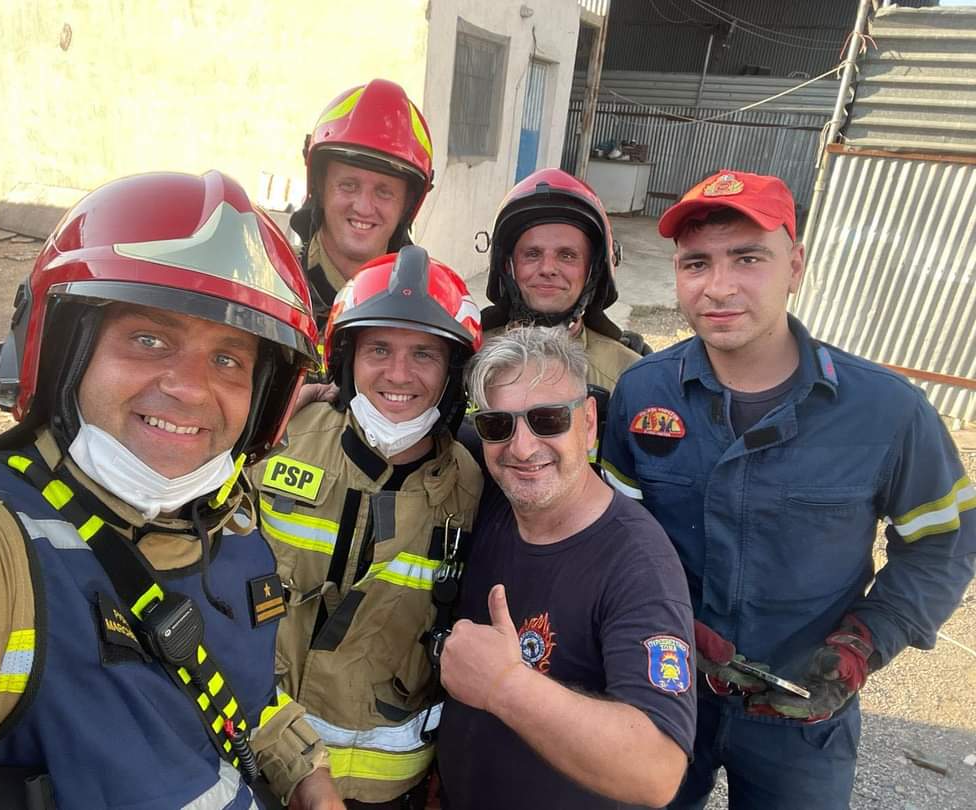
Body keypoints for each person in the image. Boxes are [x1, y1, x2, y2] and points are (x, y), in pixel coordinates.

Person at [0, 171, 345, 809]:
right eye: (149, 339)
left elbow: (239, 683)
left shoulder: (230, 524)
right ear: (62, 352)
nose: (189, 388)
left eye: (227, 359)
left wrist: (305, 771)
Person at [600, 169, 976, 810]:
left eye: (748, 259)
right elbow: (615, 534)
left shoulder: (887, 412)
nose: (719, 286)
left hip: (802, 719)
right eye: (697, 263)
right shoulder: (644, 394)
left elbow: (943, 542)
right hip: (667, 691)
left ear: (795, 267)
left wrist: (863, 643)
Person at [249, 246, 484, 807]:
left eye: (424, 353)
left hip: (385, 789)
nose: (398, 374)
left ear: (453, 373)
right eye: (379, 348)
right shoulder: (278, 437)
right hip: (253, 759)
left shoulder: (474, 487)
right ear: (346, 357)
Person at [437, 326, 696, 809]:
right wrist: (316, 402)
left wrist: (505, 686)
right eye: (498, 425)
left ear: (589, 422)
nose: (522, 447)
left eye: (549, 420)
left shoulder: (638, 563)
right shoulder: (495, 494)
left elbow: (657, 771)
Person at [481, 167, 651, 395]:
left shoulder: (631, 376)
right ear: (507, 266)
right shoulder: (464, 359)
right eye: (532, 254)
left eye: (567, 255)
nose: (547, 269)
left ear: (593, 271)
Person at [289, 79, 434, 330]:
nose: (364, 207)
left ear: (407, 205)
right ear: (320, 187)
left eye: (384, 192)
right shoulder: (274, 283)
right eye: (348, 185)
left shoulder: (434, 310)